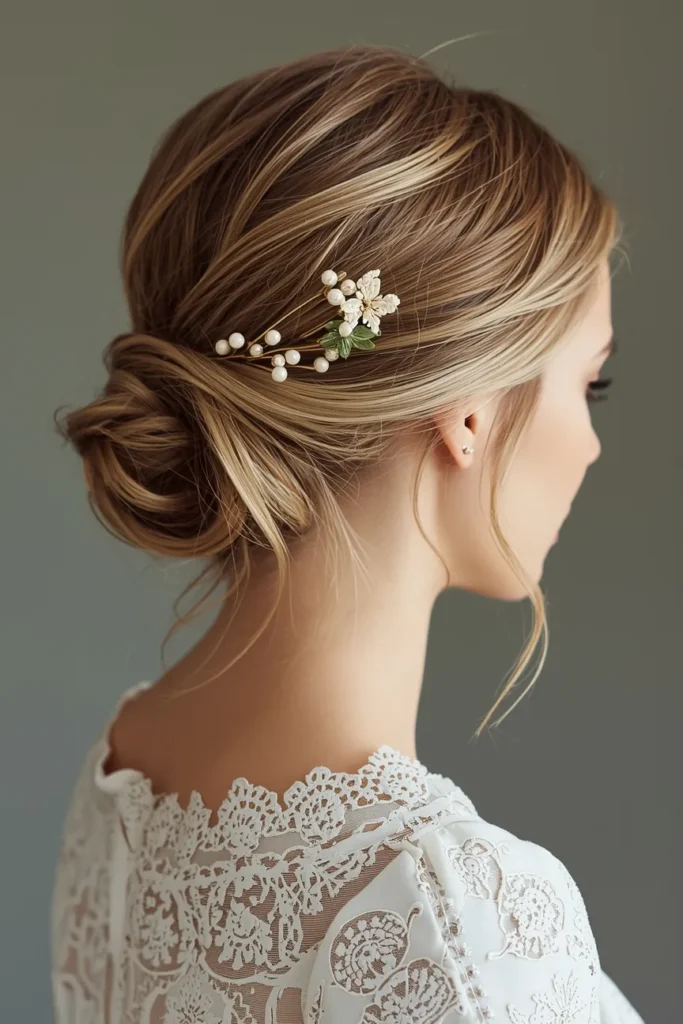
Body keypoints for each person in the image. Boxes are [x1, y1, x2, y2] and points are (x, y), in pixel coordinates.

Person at [50, 45, 646, 1024]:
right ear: (466, 410)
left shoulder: (119, 783)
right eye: (589, 383)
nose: (586, 444)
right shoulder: (451, 911)